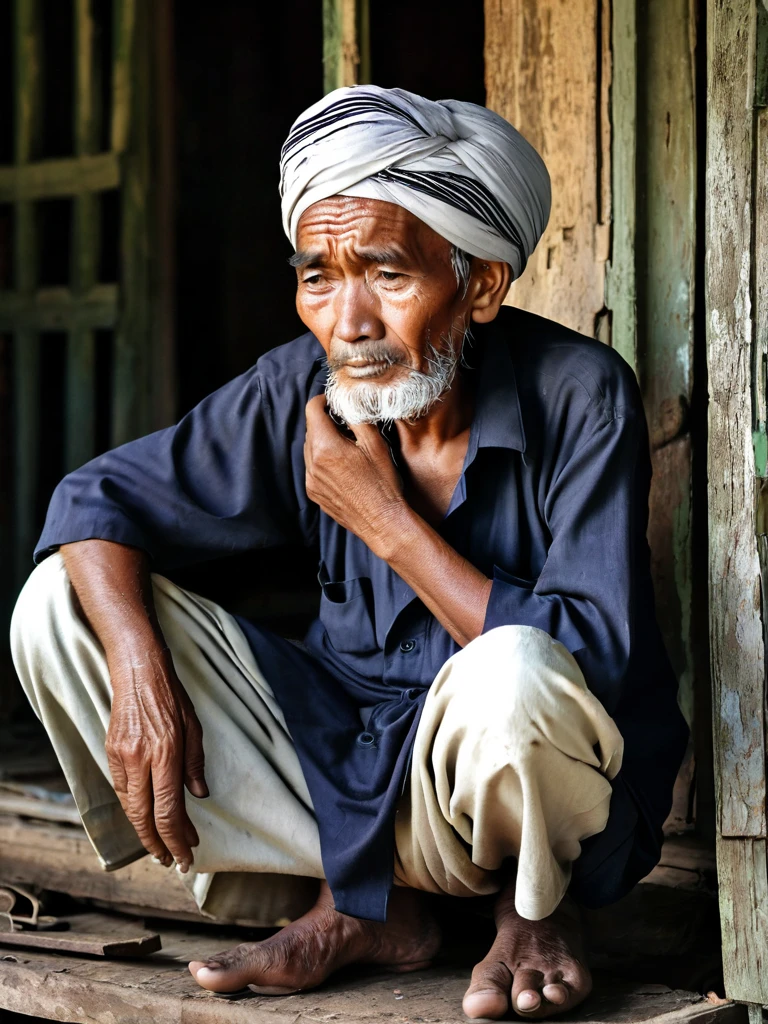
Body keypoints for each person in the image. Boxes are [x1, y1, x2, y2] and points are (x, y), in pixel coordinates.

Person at [11, 85, 687, 1019]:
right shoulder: (300, 387)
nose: (349, 325)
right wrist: (139, 677)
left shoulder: (579, 394)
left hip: (528, 801)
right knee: (59, 601)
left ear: (482, 284)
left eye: (388, 275)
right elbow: (94, 498)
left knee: (518, 670)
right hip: (343, 772)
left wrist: (388, 525)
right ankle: (370, 905)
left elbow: (592, 666)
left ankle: (534, 912)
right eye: (318, 277)